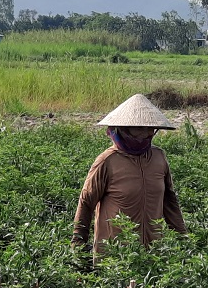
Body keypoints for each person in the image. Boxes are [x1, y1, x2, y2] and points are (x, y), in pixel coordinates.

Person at [72, 93, 187, 257]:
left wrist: (184, 240)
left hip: (153, 254)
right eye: (139, 128)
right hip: (115, 258)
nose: (146, 134)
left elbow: (170, 201)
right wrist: (78, 249)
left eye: (150, 128)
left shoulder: (159, 157)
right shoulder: (107, 161)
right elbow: (86, 203)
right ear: (124, 128)